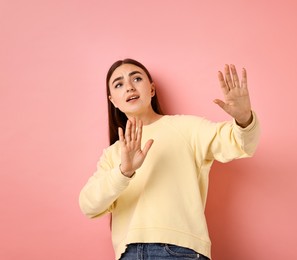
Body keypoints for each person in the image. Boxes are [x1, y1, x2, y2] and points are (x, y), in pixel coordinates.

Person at [79, 58, 260, 260]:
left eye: (136, 78)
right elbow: (89, 205)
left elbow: (238, 142)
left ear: (152, 89)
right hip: (128, 253)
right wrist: (124, 172)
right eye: (119, 84)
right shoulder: (113, 154)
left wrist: (244, 118)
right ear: (112, 100)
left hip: (179, 250)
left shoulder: (186, 128)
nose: (129, 87)